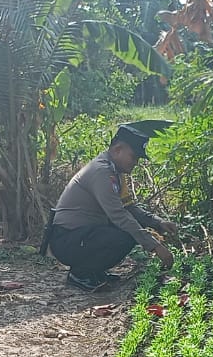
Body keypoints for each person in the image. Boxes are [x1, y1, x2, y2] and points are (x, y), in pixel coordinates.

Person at [44, 124, 177, 290]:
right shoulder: (102, 172)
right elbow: (119, 215)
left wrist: (157, 222)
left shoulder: (115, 172)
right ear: (117, 149)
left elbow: (129, 208)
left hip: (81, 236)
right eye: (133, 157)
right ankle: (80, 274)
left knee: (131, 229)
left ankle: (93, 271)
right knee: (125, 235)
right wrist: (155, 246)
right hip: (67, 239)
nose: (135, 163)